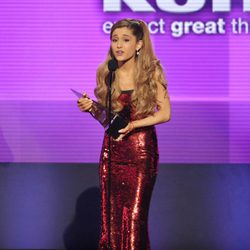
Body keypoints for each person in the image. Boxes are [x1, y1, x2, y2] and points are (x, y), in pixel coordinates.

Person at [77, 18, 171, 250]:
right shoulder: (108, 73)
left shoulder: (151, 71)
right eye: (114, 40)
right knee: (112, 218)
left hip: (140, 151)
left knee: (135, 215)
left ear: (138, 44)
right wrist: (92, 109)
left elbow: (165, 114)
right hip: (112, 150)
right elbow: (110, 121)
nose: (118, 45)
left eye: (125, 40)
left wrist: (135, 126)